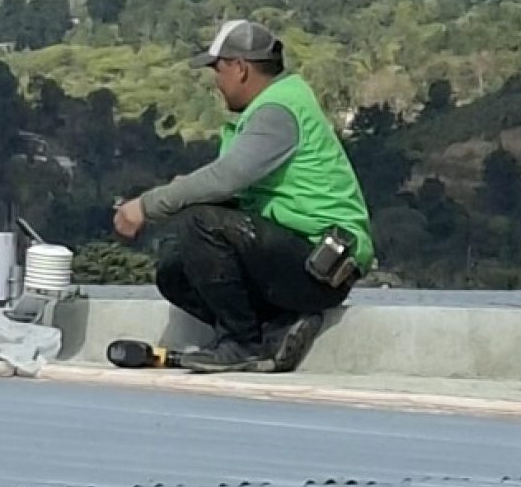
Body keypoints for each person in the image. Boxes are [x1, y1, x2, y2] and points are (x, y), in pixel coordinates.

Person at [112, 20, 374, 373]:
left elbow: (225, 179)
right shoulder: (268, 108)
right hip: (295, 258)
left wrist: (146, 206)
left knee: (201, 222)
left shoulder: (278, 110)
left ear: (240, 68)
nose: (216, 82)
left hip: (320, 265)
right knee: (174, 272)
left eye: (217, 70)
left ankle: (241, 343)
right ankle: (277, 330)